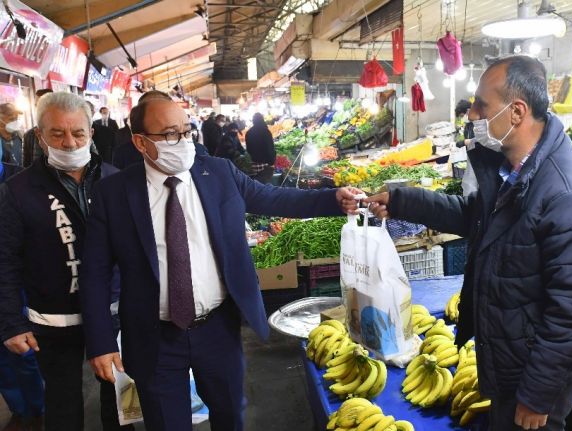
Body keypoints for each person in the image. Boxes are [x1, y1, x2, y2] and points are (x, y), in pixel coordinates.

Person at [79, 96, 361, 431]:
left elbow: (274, 198)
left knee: (230, 415)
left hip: (217, 328)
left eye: (186, 132)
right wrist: (100, 341)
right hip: (153, 336)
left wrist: (333, 199)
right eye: (170, 135)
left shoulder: (219, 172)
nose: (182, 142)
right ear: (140, 142)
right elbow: (94, 273)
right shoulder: (114, 193)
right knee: (166, 423)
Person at [366, 55, 572, 431]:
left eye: (481, 105)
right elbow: (474, 217)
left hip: (535, 370)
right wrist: (402, 201)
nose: (472, 114)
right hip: (511, 355)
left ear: (517, 112)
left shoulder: (565, 192)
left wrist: (537, 394)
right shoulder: (514, 169)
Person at [0, 92, 131, 431]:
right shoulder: (17, 191)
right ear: (40, 135)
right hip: (53, 322)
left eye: (78, 133)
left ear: (91, 133)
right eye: (57, 133)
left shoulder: (116, 180)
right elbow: (5, 260)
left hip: (115, 314)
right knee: (62, 404)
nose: (69, 142)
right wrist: (11, 322)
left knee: (122, 398)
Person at [0, 141, 43, 431]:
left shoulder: (19, 181)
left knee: (22, 350)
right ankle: (19, 409)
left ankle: (37, 409)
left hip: (16, 279)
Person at [22, 89, 53, 167]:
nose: (39, 109)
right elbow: (26, 167)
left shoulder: (68, 131)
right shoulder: (29, 135)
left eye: (43, 105)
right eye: (37, 105)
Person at [245, 112, 275, 184]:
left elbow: (248, 149)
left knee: (257, 184)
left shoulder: (249, 132)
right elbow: (270, 148)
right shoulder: (266, 132)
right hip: (266, 164)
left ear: (253, 121)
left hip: (255, 163)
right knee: (265, 184)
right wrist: (272, 161)